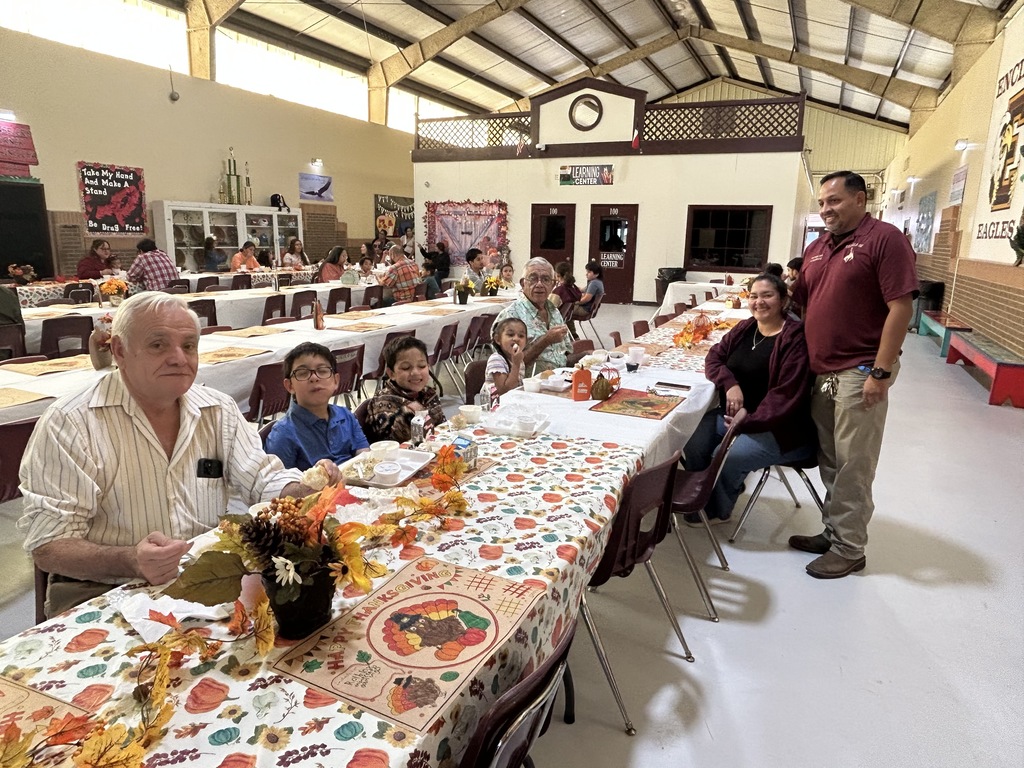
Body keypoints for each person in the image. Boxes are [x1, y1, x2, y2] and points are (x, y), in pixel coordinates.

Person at [18, 293, 340, 617]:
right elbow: (49, 546)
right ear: (119, 350)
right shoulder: (71, 422)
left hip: (203, 580)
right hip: (103, 591)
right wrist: (131, 559)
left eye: (188, 346)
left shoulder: (218, 409)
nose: (178, 358)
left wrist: (303, 489)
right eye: (158, 345)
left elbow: (262, 476)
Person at [789, 170, 917, 579]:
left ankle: (850, 548)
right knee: (830, 457)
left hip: (860, 368)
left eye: (835, 201)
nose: (826, 209)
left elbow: (901, 308)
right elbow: (804, 306)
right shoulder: (816, 248)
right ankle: (834, 531)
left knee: (854, 464)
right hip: (821, 369)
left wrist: (880, 372)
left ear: (861, 199)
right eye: (822, 203)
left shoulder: (884, 239)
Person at [682, 273, 816, 524]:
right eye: (754, 296)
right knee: (694, 437)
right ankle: (698, 498)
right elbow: (714, 358)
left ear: (783, 300)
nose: (759, 302)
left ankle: (718, 508)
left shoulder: (794, 338)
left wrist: (748, 419)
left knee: (730, 455)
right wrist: (730, 384)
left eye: (767, 295)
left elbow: (785, 396)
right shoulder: (746, 328)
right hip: (735, 417)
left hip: (780, 428)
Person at [265, 342, 369, 470]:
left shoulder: (345, 415)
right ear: (290, 386)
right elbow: (278, 483)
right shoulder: (283, 433)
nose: (314, 378)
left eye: (322, 371)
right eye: (303, 373)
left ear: (336, 381)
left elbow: (364, 453)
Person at [493, 257, 573, 374]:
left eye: (545, 279)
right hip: (527, 387)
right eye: (533, 279)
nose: (539, 284)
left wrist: (587, 356)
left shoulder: (554, 311)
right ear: (522, 283)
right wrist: (546, 340)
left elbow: (565, 354)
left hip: (559, 381)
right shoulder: (511, 316)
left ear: (553, 284)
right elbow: (509, 366)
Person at [364, 336, 446, 443]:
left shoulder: (428, 393)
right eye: (406, 368)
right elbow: (391, 442)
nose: (415, 373)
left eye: (421, 366)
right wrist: (408, 413)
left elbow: (441, 426)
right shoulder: (383, 402)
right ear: (391, 374)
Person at [486, 317, 527, 397]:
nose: (516, 339)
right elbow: (504, 391)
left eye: (521, 336)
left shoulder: (518, 359)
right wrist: (516, 365)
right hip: (495, 404)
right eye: (510, 335)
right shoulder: (496, 360)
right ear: (497, 339)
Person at [569, 261, 604, 336]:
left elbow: (586, 299)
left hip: (584, 309)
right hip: (590, 309)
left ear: (596, 273)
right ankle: (573, 334)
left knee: (564, 311)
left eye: (589, 272)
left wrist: (574, 302)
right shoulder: (597, 282)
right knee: (567, 311)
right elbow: (581, 289)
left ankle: (572, 335)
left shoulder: (594, 284)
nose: (586, 274)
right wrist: (571, 286)